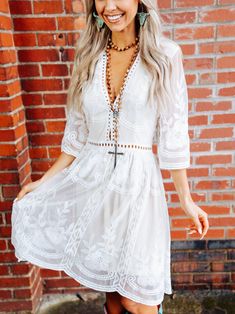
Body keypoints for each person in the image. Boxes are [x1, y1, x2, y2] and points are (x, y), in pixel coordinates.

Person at [11, 0, 209, 313]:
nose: (110, 6)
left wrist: (186, 199)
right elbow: (75, 136)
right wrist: (44, 182)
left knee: (137, 297)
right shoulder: (88, 55)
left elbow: (174, 132)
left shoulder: (165, 55)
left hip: (138, 190)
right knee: (113, 295)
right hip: (95, 186)